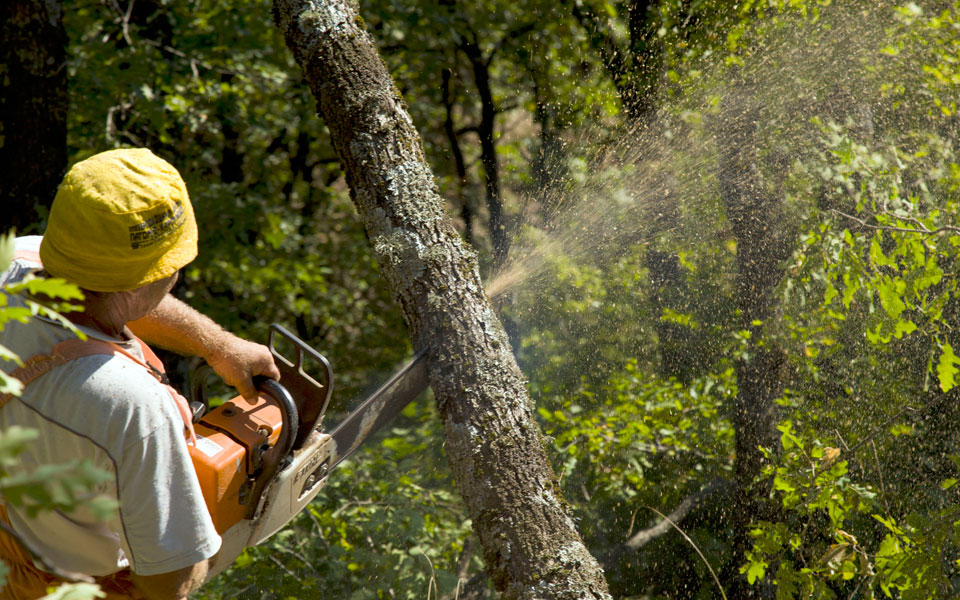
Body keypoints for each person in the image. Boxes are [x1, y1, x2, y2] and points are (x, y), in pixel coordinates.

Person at [0, 148, 281, 600]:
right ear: (157, 274)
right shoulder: (130, 405)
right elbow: (167, 585)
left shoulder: (17, 259)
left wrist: (218, 344)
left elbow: (112, 294)